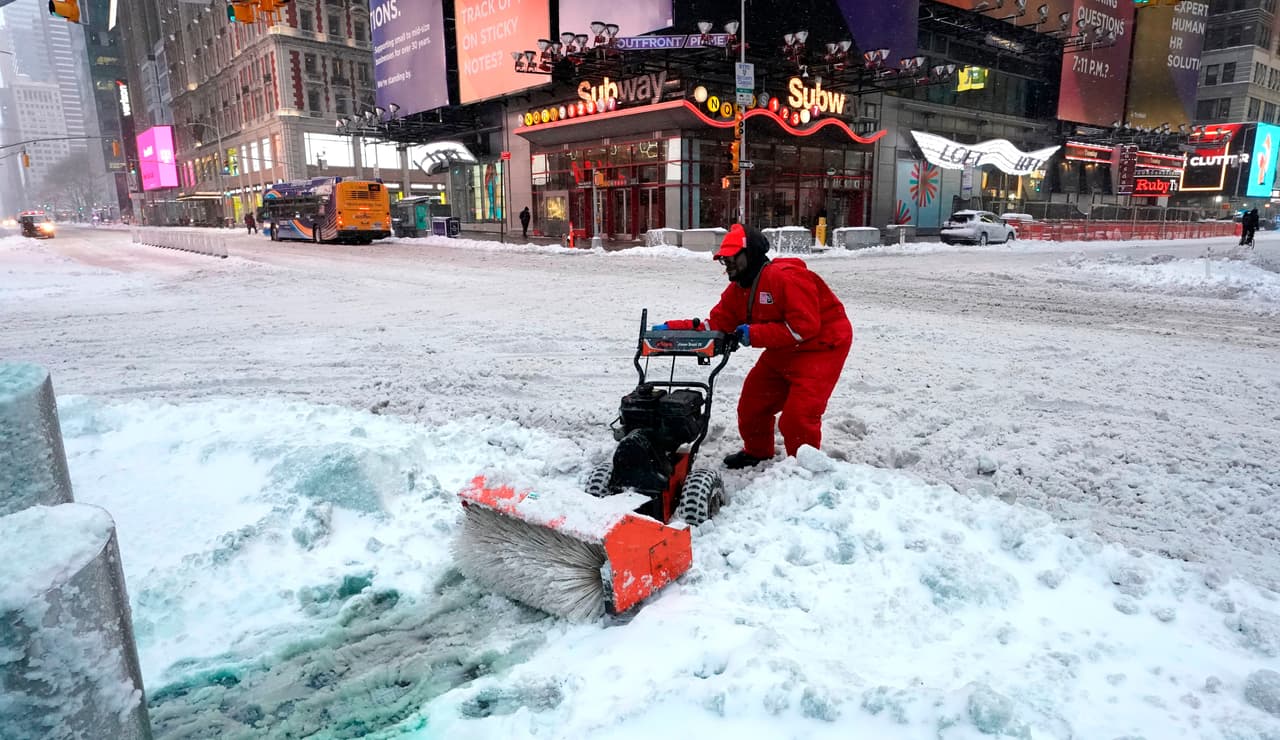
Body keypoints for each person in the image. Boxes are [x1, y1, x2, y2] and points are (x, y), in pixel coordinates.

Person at [657, 224, 853, 469]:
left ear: (750, 256)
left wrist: (755, 333)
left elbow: (805, 327)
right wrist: (672, 329)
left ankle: (804, 470)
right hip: (783, 347)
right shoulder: (739, 289)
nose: (726, 262)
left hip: (822, 346)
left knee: (798, 417)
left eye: (731, 257)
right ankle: (757, 451)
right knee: (752, 404)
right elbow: (716, 324)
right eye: (723, 259)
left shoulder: (786, 278)